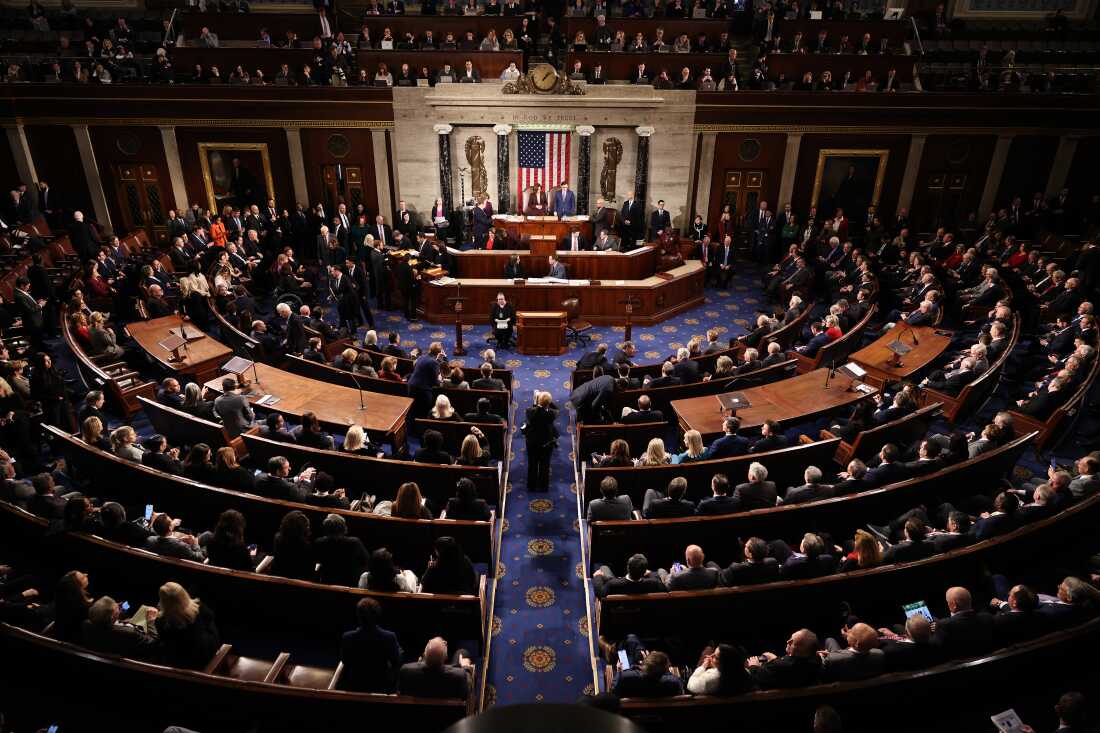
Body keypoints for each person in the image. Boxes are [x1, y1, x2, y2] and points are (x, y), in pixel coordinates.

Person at [341, 597, 403, 693]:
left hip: (355, 685)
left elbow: (345, 660)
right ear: (378, 615)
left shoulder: (347, 637)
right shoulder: (389, 637)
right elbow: (396, 661)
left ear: (358, 615)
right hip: (380, 687)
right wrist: (399, 651)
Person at [155, 582, 220, 669]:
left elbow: (164, 644)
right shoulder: (199, 607)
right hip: (209, 653)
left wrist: (152, 620)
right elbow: (212, 628)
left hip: (186, 665)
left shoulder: (164, 622)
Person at [82, 595, 160, 660]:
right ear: (112, 617)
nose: (118, 605)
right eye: (117, 608)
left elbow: (106, 622)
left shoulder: (87, 624)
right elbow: (153, 643)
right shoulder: (130, 633)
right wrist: (150, 622)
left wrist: (118, 612)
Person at [398, 637, 473, 699]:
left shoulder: (405, 671)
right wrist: (465, 667)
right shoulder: (459, 676)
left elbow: (400, 692)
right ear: (446, 657)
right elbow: (467, 692)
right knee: (462, 652)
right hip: (449, 711)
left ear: (424, 655)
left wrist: (419, 664)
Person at [747, 628, 821, 689]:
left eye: (792, 642)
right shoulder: (816, 661)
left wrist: (754, 666)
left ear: (801, 650)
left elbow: (758, 677)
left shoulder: (780, 666)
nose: (787, 641)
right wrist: (776, 659)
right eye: (790, 638)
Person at [315, 513, 370, 587]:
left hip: (327, 581)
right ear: (344, 528)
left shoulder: (320, 542)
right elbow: (366, 561)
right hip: (350, 582)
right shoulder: (354, 543)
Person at [612, 646, 683, 698]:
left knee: (629, 645)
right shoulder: (672, 683)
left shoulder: (625, 677)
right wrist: (668, 672)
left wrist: (619, 671)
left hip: (630, 710)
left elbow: (614, 689)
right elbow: (680, 686)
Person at [523, 391, 558, 491]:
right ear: (548, 403)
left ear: (538, 401)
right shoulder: (552, 414)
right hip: (546, 442)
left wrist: (537, 401)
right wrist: (547, 402)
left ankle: (531, 485)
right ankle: (543, 486)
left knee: (532, 463)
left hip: (532, 442)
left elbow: (534, 410)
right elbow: (556, 409)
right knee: (545, 464)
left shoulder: (529, 412)